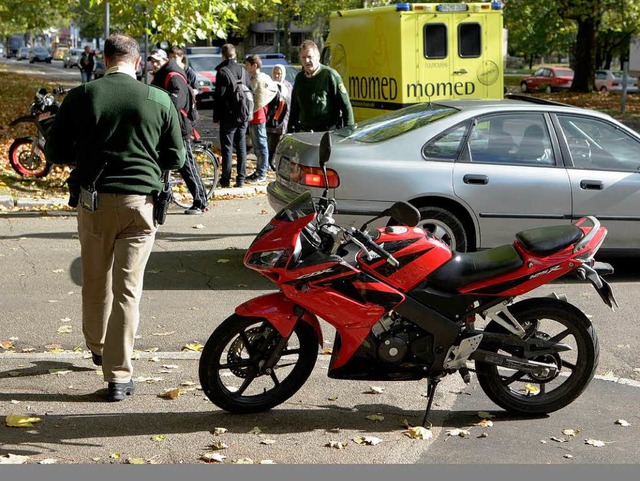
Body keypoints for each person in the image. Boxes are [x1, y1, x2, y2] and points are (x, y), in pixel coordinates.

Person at [44, 33, 185, 402]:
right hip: (141, 205)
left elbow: (56, 151)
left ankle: (96, 345)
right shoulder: (158, 98)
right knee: (128, 291)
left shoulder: (82, 96)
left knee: (95, 280)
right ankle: (119, 377)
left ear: (105, 59)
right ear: (137, 62)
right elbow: (176, 158)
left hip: (94, 203)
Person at [149, 48, 208, 214]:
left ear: (165, 60)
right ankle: (161, 196)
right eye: (152, 61)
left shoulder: (173, 75)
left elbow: (177, 102)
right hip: (167, 127)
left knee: (186, 165)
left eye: (157, 61)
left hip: (179, 128)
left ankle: (200, 201)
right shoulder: (161, 75)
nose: (154, 64)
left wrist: (160, 112)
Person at [288, 40, 354, 133]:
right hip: (305, 132)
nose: (307, 61)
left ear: (318, 57)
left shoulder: (330, 75)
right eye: (303, 57)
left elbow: (346, 106)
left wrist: (348, 132)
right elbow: (294, 107)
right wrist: (290, 130)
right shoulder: (299, 78)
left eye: (309, 57)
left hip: (327, 132)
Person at [213, 43, 250, 188]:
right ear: (235, 55)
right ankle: (241, 178)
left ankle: (225, 179)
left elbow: (219, 97)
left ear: (222, 55)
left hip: (228, 115)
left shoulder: (222, 71)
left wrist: (216, 117)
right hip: (243, 113)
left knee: (227, 148)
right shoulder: (243, 70)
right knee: (241, 147)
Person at [244, 54, 278, 183]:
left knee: (261, 146)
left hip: (259, 117)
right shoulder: (253, 78)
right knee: (257, 147)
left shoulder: (260, 79)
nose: (245, 67)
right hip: (253, 117)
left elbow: (259, 98)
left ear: (255, 65)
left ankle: (262, 173)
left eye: (247, 64)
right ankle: (259, 170)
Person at [267, 64, 292, 171]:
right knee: (271, 142)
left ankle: (278, 162)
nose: (277, 76)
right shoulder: (270, 85)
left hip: (284, 118)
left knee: (281, 142)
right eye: (275, 73)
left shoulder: (288, 86)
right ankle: (269, 162)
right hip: (272, 119)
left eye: (279, 73)